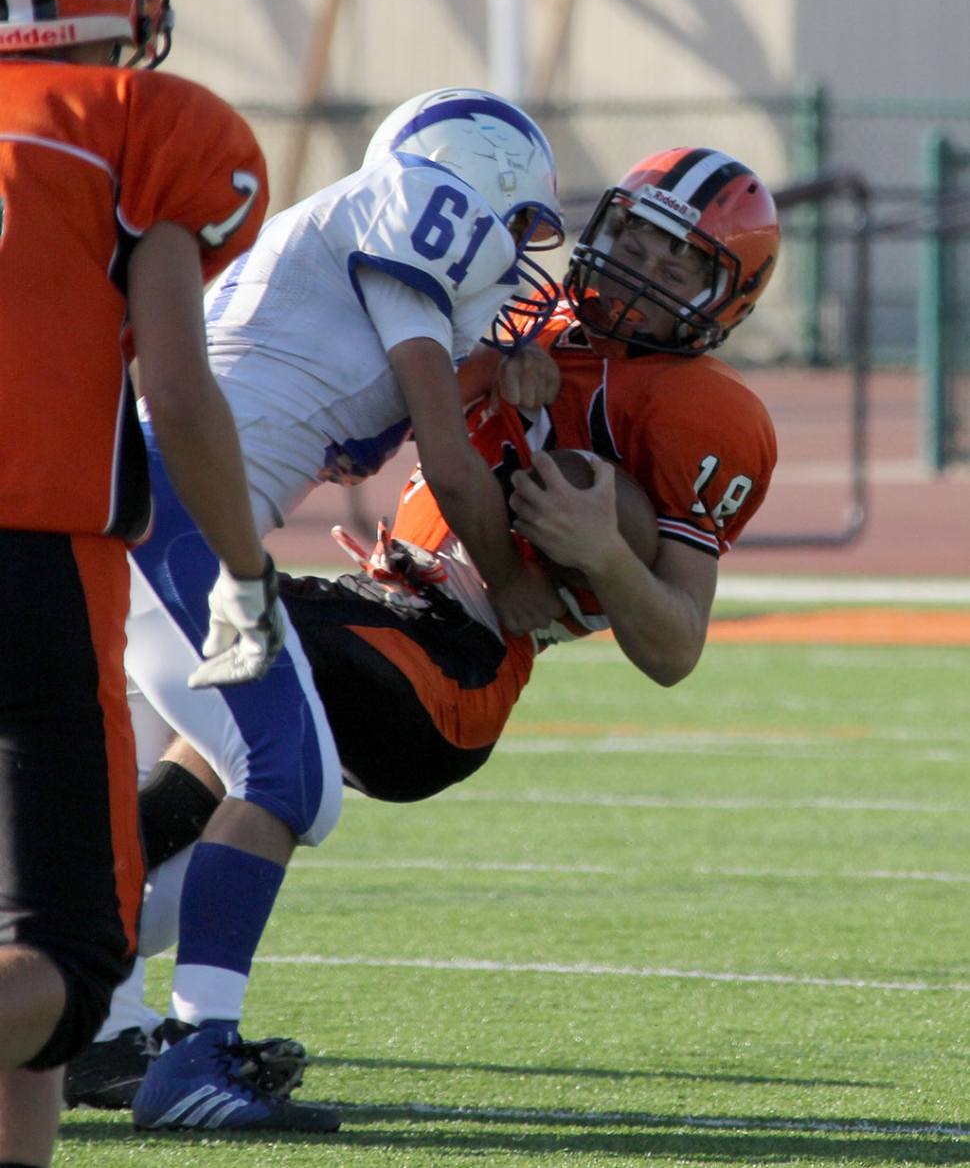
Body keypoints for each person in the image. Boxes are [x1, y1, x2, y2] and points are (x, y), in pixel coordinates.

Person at [67, 144, 780, 1114]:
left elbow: (674, 648)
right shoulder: (525, 312)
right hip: (376, 601)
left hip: (457, 663)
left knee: (246, 670)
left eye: (679, 264)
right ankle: (64, 982)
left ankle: (174, 1030)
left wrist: (603, 554)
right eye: (639, 242)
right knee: (186, 777)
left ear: (725, 295)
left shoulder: (710, 414)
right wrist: (495, 358)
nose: (644, 271)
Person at [100, 87, 567, 1131]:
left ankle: (95, 1024)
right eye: (524, 220)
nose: (524, 252)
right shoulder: (417, 201)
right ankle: (195, 1053)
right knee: (291, 777)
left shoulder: (351, 234)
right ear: (479, 175)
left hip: (131, 504)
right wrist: (512, 586)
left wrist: (494, 360)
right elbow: (446, 457)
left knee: (120, 799)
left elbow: (344, 377)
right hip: (173, 519)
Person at [0, 0, 285, 1168]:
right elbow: (176, 387)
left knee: (18, 980)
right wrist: (242, 566)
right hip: (29, 560)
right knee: (67, 954)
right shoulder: (141, 125)